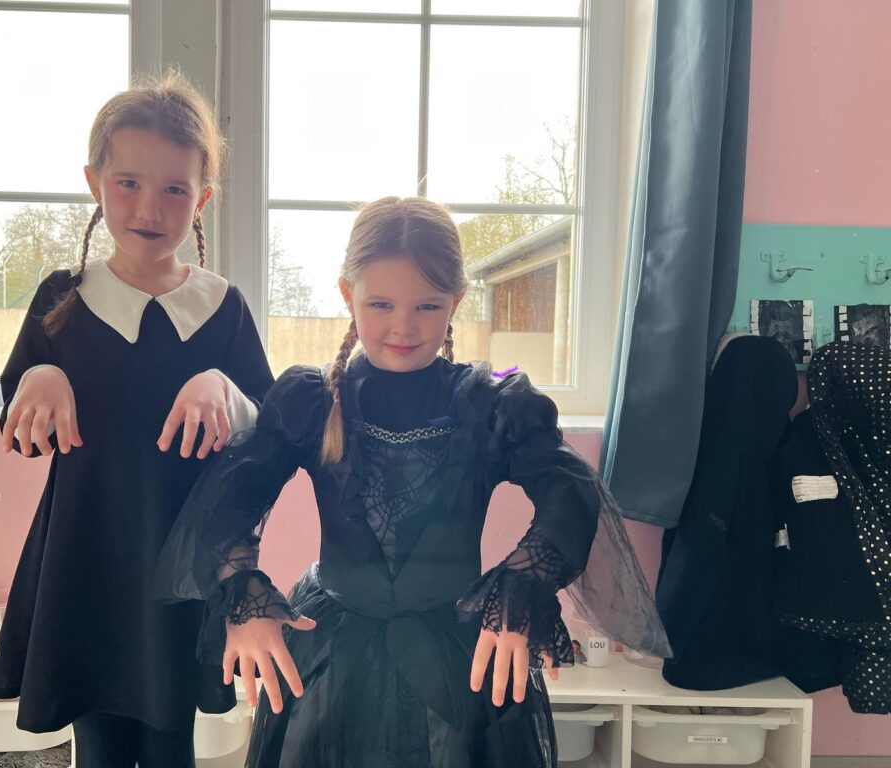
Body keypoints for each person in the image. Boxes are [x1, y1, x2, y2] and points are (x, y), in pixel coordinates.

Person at [157, 196, 669, 767]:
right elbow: (229, 498)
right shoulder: (311, 400)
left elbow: (569, 490)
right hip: (332, 655)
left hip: (464, 656)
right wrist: (244, 598)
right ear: (347, 295)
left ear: (457, 301)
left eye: (427, 305)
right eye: (381, 304)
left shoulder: (492, 404)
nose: (404, 326)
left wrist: (521, 589)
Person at [0, 71, 274, 767]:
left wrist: (223, 389)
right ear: (95, 184)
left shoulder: (222, 307)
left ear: (202, 199)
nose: (150, 206)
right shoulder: (62, 299)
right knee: (99, 745)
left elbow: (270, 430)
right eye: (128, 183)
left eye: (175, 188)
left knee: (172, 742)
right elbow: (19, 426)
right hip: (86, 563)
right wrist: (40, 376)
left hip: (185, 571)